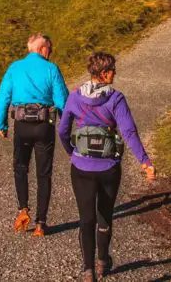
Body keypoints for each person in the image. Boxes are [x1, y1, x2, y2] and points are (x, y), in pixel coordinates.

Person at [58, 52, 156, 282]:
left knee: (86, 219)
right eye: (112, 69)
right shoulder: (116, 99)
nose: (115, 73)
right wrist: (144, 160)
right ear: (103, 74)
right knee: (104, 217)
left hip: (81, 168)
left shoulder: (74, 97)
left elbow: (63, 130)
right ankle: (103, 260)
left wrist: (71, 152)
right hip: (108, 168)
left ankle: (88, 270)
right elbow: (129, 132)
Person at [0, 33, 69, 237]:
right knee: (44, 174)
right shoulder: (51, 69)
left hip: (21, 125)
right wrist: (67, 125)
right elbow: (63, 100)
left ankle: (23, 210)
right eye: (50, 49)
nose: (51, 53)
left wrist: (1, 124)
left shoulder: (14, 68)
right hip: (44, 126)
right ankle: (40, 223)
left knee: (20, 168)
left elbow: (3, 97)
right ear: (43, 49)